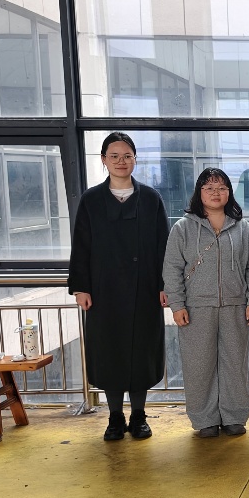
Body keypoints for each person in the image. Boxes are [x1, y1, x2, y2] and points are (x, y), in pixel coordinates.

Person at [68, 132, 169, 442]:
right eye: (114, 156)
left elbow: (163, 246)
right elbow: (81, 246)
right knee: (109, 352)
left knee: (142, 352)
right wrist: (81, 287)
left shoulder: (150, 198)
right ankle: (114, 417)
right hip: (104, 291)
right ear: (103, 160)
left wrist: (165, 285)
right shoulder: (91, 200)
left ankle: (139, 415)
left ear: (135, 159)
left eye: (127, 156)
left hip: (145, 289)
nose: (121, 161)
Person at [162, 168, 249, 438]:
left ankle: (235, 416)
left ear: (229, 192)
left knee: (235, 364)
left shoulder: (244, 229)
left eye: (221, 188)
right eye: (209, 188)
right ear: (199, 193)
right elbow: (172, 268)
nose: (215, 193)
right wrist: (177, 305)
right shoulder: (183, 228)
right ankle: (203, 419)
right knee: (198, 365)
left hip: (235, 306)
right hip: (195, 307)